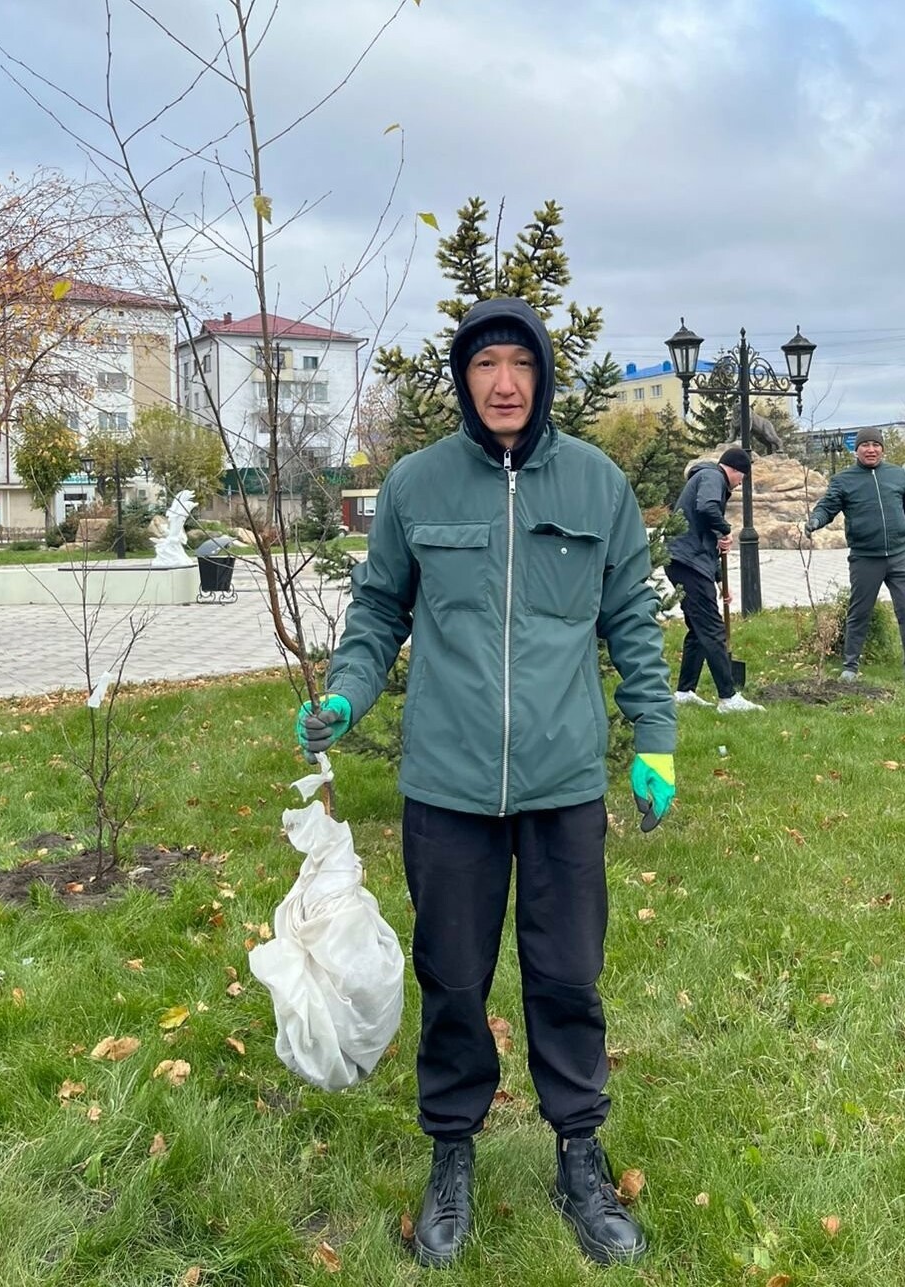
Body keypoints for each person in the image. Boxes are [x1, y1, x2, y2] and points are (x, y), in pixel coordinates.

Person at [295, 296, 676, 1268]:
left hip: (561, 786)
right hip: (448, 788)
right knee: (454, 979)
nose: (504, 382)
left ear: (542, 375)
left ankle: (578, 1155)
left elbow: (631, 615)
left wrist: (655, 738)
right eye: (484, 366)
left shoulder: (596, 485)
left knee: (566, 977)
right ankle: (452, 1155)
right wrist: (347, 694)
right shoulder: (420, 487)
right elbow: (379, 609)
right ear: (463, 382)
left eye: (520, 363)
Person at [802, 427, 905, 685]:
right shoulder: (844, 480)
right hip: (865, 558)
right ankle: (850, 667)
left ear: (882, 448)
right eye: (865, 445)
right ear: (856, 450)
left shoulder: (897, 475)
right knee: (860, 611)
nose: (871, 449)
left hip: (900, 556)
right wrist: (815, 521)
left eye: (875, 445)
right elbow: (828, 506)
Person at [664, 446, 764, 712]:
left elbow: (707, 537)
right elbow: (707, 507)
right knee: (711, 628)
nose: (741, 483)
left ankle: (685, 691)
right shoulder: (713, 477)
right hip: (688, 563)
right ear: (733, 469)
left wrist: (719, 581)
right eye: (741, 477)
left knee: (698, 629)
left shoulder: (707, 478)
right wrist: (726, 529)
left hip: (685, 562)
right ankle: (728, 697)